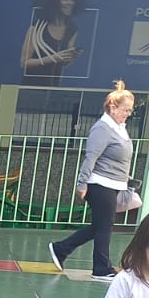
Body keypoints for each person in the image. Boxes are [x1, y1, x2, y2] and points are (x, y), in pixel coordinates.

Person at [49, 80, 137, 281]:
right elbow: (91, 157)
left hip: (112, 183)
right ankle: (101, 268)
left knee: (98, 226)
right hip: (100, 183)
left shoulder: (118, 127)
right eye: (126, 110)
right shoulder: (103, 129)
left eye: (130, 110)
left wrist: (127, 178)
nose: (128, 114)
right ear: (113, 108)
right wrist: (81, 184)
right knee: (104, 227)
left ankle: (61, 249)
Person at [20, 0, 86, 86]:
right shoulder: (37, 27)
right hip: (31, 87)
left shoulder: (72, 29)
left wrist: (71, 56)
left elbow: (63, 63)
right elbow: (24, 62)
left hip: (54, 87)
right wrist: (52, 58)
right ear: (53, 1)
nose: (71, 3)